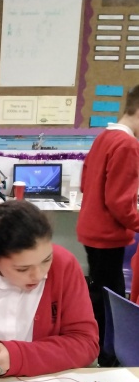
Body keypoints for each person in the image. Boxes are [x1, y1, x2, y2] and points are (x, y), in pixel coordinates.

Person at [0, 192, 99, 377]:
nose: (38, 275)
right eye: (22, 269)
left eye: (46, 260)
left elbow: (86, 343)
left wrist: (18, 357)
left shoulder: (64, 266)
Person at [76, 84, 139, 366]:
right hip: (108, 235)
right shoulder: (128, 144)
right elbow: (119, 202)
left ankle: (101, 350)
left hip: (92, 230)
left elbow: (86, 181)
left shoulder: (105, 136)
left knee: (101, 294)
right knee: (110, 301)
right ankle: (107, 356)